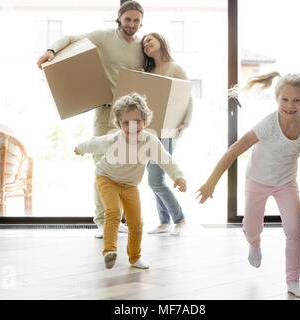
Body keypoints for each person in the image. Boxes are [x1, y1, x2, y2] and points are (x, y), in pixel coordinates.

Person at [196, 72, 300, 298]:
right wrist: (210, 183)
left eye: (297, 100)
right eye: (285, 99)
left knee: (294, 231)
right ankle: (254, 242)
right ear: (276, 99)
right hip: (257, 180)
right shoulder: (267, 125)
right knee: (251, 229)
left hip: (286, 183)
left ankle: (293, 281)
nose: (290, 105)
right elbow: (233, 151)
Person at [37, 1, 145, 239]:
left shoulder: (142, 46)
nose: (132, 25)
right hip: (106, 111)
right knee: (103, 166)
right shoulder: (103, 36)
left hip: (130, 117)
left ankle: (118, 219)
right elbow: (71, 38)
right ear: (119, 17)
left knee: (124, 167)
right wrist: (51, 51)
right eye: (128, 19)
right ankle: (103, 221)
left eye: (136, 20)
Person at [74, 93, 187, 269]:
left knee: (136, 222)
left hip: (130, 185)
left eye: (137, 122)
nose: (132, 127)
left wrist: (178, 176)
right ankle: (109, 251)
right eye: (126, 123)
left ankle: (134, 258)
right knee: (113, 212)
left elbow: (165, 159)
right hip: (107, 178)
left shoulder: (150, 141)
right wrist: (80, 148)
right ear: (119, 124)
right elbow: (94, 143)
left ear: (145, 121)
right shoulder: (114, 139)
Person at [140, 32, 193, 236]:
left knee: (155, 179)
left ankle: (180, 220)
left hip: (168, 129)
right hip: (150, 130)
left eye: (149, 40)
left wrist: (186, 123)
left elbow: (188, 97)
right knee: (154, 178)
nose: (146, 45)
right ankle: (164, 222)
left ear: (161, 42)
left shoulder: (175, 68)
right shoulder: (150, 70)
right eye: (143, 44)